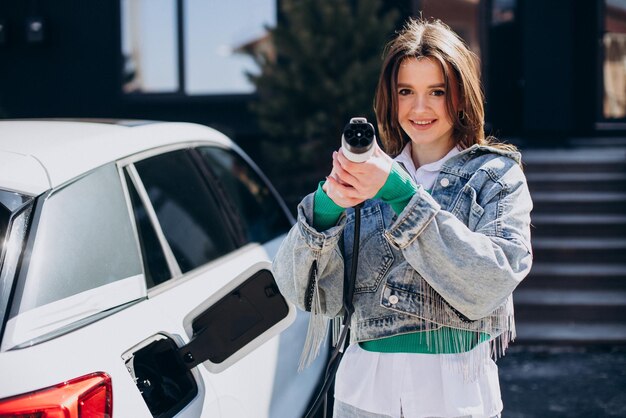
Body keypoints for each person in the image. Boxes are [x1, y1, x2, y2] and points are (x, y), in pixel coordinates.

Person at [273, 17, 532, 418]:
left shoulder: (495, 175)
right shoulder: (365, 178)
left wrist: (400, 193)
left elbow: (493, 278)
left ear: (461, 97)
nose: (420, 108)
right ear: (390, 99)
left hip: (455, 400)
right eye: (406, 91)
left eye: (437, 91)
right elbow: (300, 292)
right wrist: (326, 209)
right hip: (364, 399)